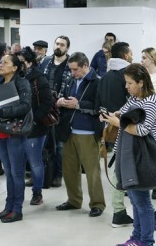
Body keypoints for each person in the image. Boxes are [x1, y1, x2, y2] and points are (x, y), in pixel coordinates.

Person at [103, 63, 156, 246]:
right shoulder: (134, 99)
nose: (126, 87)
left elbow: (143, 130)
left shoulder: (151, 101)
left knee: (142, 202)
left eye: (129, 83)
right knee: (135, 201)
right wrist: (113, 115)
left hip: (141, 157)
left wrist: (118, 122)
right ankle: (137, 238)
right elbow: (124, 114)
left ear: (141, 82)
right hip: (128, 154)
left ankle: (146, 241)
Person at [54, 52, 106, 218]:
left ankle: (97, 204)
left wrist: (79, 104)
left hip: (88, 132)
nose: (72, 73)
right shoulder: (71, 80)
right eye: (71, 69)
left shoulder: (97, 82)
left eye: (75, 69)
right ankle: (74, 200)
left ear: (85, 66)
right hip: (68, 131)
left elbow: (100, 107)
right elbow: (65, 97)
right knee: (69, 170)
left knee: (92, 171)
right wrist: (61, 101)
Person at [0, 53, 32, 223]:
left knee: (17, 172)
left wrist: (0, 112)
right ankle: (8, 207)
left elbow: (25, 106)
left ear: (14, 67)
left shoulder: (22, 82)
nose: (1, 65)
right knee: (9, 172)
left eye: (5, 63)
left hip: (15, 132)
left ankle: (17, 209)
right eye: (1, 62)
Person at [95, 42, 134, 226]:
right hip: (129, 129)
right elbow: (134, 105)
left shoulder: (105, 77)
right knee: (133, 169)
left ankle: (119, 210)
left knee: (119, 168)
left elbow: (99, 105)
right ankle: (127, 211)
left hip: (111, 128)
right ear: (126, 55)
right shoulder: (128, 78)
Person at [16, 47, 53, 206]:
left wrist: (34, 119)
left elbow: (47, 103)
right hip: (18, 126)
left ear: (29, 62)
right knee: (20, 162)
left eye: (21, 61)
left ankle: (37, 193)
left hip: (36, 127)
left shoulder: (39, 79)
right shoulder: (17, 77)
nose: (18, 64)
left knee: (35, 161)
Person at [40, 35, 73, 187]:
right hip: (45, 107)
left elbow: (72, 85)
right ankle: (44, 174)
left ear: (67, 48)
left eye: (62, 45)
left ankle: (59, 174)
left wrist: (64, 100)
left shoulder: (71, 63)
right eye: (57, 44)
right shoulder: (45, 62)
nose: (59, 46)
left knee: (60, 145)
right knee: (44, 143)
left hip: (62, 108)